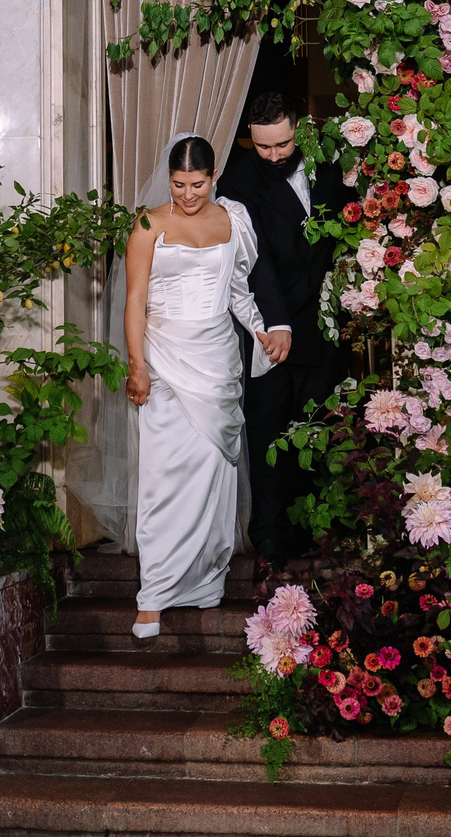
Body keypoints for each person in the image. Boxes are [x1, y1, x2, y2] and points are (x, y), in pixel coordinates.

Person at [121, 134, 269, 640]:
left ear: (213, 178)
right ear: (169, 179)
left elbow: (238, 290)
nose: (188, 194)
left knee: (210, 477)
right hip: (163, 359)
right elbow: (135, 300)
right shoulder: (147, 225)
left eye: (198, 183)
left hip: (218, 361)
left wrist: (261, 329)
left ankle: (205, 579)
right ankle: (153, 594)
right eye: (179, 184)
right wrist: (137, 363)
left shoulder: (233, 221)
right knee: (163, 475)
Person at [217, 90, 356, 569]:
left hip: (324, 320)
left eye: (283, 144)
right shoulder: (236, 179)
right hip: (269, 326)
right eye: (264, 147)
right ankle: (270, 540)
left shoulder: (330, 159)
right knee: (269, 430)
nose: (275, 155)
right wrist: (275, 324)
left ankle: (315, 534)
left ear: (299, 127)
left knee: (318, 428)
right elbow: (253, 262)